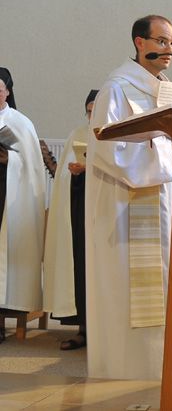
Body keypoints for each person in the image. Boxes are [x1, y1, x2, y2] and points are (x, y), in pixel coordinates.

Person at [85, 14, 172, 380]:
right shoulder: (117, 88)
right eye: (161, 42)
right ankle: (122, 371)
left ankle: (158, 370)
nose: (168, 50)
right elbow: (110, 150)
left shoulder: (164, 88)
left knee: (160, 282)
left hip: (157, 201)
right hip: (124, 206)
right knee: (126, 290)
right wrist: (165, 159)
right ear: (140, 44)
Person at [43, 89, 98, 351]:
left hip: (107, 216)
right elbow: (63, 176)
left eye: (96, 110)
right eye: (88, 111)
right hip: (81, 211)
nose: (91, 116)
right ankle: (83, 329)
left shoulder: (119, 135)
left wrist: (93, 168)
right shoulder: (77, 135)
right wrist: (76, 173)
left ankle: (106, 333)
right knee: (81, 267)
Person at [0, 69, 46, 343]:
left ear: (7, 92)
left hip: (8, 196)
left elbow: (30, 166)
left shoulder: (20, 123)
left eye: (0, 90)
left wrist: (9, 160)